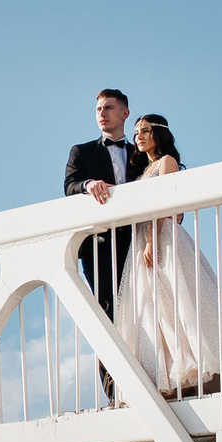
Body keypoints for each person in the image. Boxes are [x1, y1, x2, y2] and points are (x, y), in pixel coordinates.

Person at [121, 114, 222, 395]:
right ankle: (165, 374)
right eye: (136, 133)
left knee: (179, 300)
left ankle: (193, 367)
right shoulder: (144, 171)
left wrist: (150, 240)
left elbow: (164, 204)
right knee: (155, 307)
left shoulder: (166, 162)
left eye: (145, 131)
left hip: (161, 238)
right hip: (143, 239)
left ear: (158, 134)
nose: (139, 137)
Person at [63, 88, 146, 320]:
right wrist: (88, 185)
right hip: (98, 246)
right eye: (99, 109)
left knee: (142, 311)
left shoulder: (139, 154)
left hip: (136, 242)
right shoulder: (82, 151)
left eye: (109, 108)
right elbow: (70, 185)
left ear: (125, 113)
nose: (102, 113)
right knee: (106, 313)